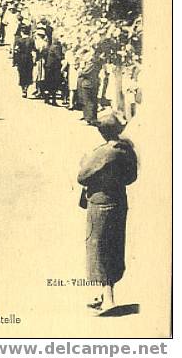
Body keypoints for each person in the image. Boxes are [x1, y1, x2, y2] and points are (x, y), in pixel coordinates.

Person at [77, 112, 137, 314]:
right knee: (114, 246)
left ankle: (108, 300)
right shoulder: (127, 149)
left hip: (100, 204)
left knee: (99, 249)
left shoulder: (103, 152)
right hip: (119, 200)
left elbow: (82, 176)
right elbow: (131, 177)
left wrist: (85, 160)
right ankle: (105, 295)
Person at [78, 48, 102, 126]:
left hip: (88, 83)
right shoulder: (98, 62)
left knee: (88, 101)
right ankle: (91, 118)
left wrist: (80, 70)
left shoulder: (92, 63)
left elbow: (84, 72)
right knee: (92, 101)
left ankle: (90, 118)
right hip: (94, 83)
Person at [13, 27, 35, 98]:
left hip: (21, 59)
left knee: (22, 73)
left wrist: (15, 61)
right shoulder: (31, 40)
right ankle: (26, 88)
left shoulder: (19, 41)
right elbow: (34, 50)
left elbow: (16, 51)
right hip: (29, 58)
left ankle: (23, 90)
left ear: (22, 33)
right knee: (28, 73)